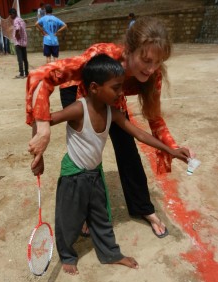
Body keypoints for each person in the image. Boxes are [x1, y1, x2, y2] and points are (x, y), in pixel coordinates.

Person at [26, 16, 194, 239]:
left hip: (114, 97)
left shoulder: (154, 75)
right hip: (79, 90)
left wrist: (172, 147)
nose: (152, 68)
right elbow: (40, 76)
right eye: (146, 60)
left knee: (128, 151)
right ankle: (84, 211)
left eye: (158, 62)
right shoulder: (101, 55)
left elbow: (154, 119)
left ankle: (143, 208)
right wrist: (42, 129)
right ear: (129, 50)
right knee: (86, 153)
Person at [46, 54, 190, 275]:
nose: (121, 92)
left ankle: (111, 254)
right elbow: (46, 120)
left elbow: (140, 134)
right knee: (69, 220)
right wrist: (37, 152)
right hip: (73, 176)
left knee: (102, 218)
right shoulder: (78, 109)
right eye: (116, 88)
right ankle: (67, 255)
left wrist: (171, 150)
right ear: (94, 87)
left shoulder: (112, 113)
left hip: (94, 174)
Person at [9, 8, 29, 78]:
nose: (10, 16)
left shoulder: (15, 20)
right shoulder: (21, 19)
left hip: (18, 42)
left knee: (20, 59)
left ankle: (21, 73)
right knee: (25, 59)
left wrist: (16, 35)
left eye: (10, 15)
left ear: (13, 14)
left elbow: (17, 28)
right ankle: (26, 72)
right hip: (24, 41)